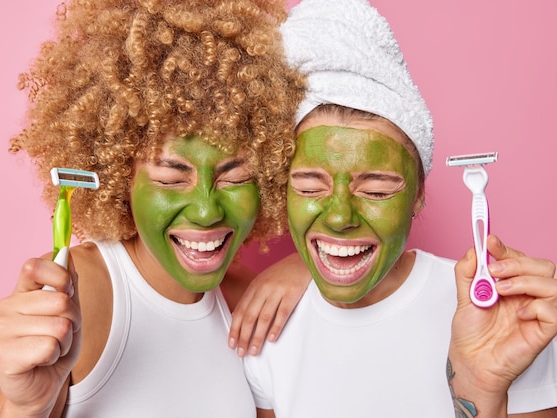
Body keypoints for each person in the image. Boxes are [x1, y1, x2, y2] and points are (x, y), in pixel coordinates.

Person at [0, 0, 305, 416]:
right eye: (171, 178)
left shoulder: (253, 303)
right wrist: (26, 406)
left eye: (235, 177)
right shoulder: (74, 297)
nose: (206, 211)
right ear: (118, 173)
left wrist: (310, 275)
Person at [237, 0, 557, 416]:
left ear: (419, 194)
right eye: (310, 185)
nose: (339, 217)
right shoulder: (266, 327)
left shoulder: (499, 318)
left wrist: (482, 389)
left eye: (376, 190)